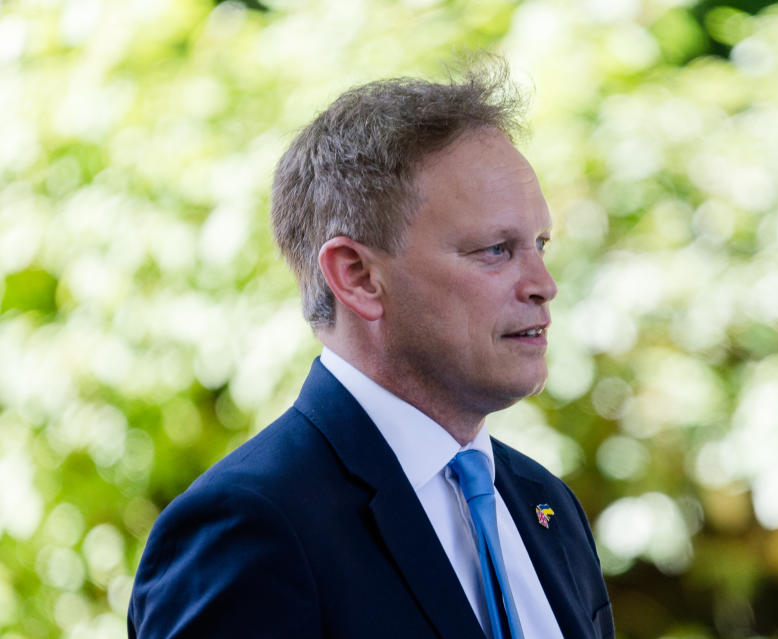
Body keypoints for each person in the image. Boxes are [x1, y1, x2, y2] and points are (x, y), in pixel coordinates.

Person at [128, 62, 613, 639]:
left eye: (539, 244)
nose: (543, 283)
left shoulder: (544, 503)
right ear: (357, 276)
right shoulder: (248, 526)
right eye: (494, 250)